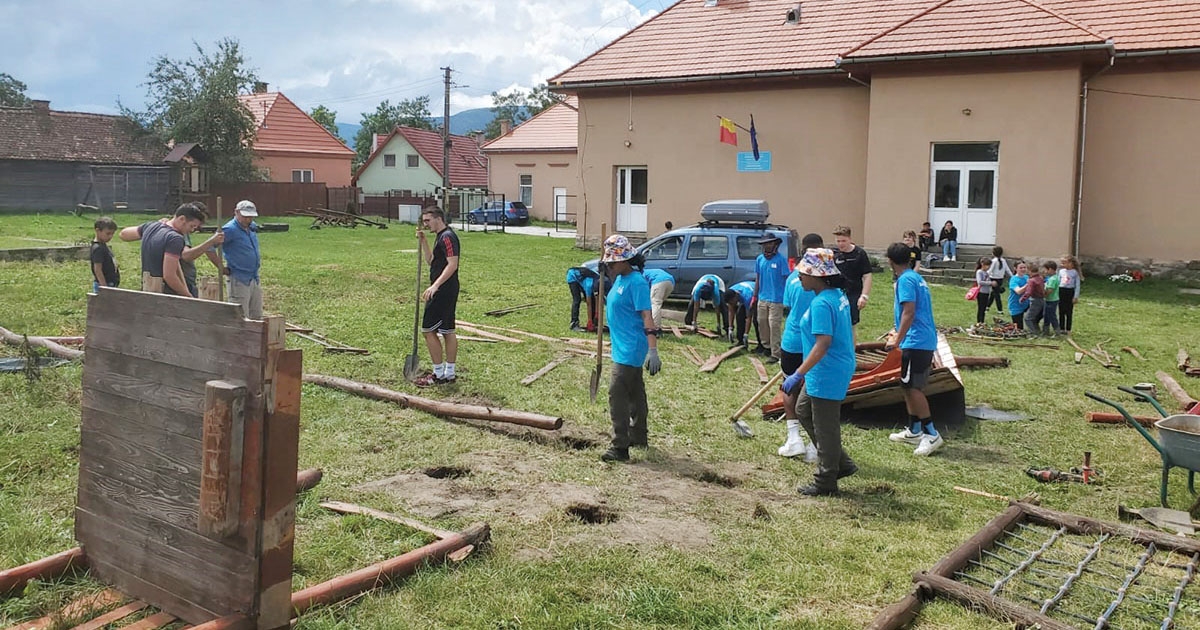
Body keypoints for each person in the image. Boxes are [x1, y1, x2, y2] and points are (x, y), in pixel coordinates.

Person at [780, 248, 857, 495]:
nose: (799, 276)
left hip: (827, 371)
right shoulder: (835, 295)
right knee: (803, 411)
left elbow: (823, 343)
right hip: (823, 369)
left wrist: (798, 373)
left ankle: (826, 480)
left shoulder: (824, 303)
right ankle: (840, 463)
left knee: (826, 426)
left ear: (817, 275)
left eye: (804, 272)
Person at [598, 234, 661, 463]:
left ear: (625, 260)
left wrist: (652, 349)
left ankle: (620, 447)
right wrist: (605, 276)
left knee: (617, 395)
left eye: (613, 262)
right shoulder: (621, 279)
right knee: (635, 393)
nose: (610, 265)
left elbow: (646, 315)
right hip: (622, 346)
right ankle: (639, 436)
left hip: (631, 348)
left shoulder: (636, 282)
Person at [884, 242, 943, 457]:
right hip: (919, 339)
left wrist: (897, 339)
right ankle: (914, 430)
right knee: (907, 385)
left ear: (890, 261)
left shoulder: (905, 280)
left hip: (916, 341)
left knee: (915, 388)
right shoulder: (915, 277)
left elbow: (909, 312)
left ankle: (932, 433)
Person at [772, 232, 826, 452]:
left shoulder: (794, 278)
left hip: (794, 341)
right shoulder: (826, 284)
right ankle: (815, 443)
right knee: (812, 390)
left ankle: (794, 437)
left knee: (789, 388)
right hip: (816, 343)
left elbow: (787, 306)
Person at [120, 202, 216, 296]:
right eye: (192, 226)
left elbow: (123, 234)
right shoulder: (175, 239)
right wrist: (187, 295)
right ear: (182, 219)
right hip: (167, 293)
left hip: (148, 288)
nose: (192, 230)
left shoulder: (151, 226)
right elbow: (169, 275)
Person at [415, 206, 461, 387]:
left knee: (428, 330)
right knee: (447, 330)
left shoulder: (448, 237)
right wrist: (424, 241)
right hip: (446, 289)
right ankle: (449, 373)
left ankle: (438, 373)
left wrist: (435, 285)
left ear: (438, 219)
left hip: (443, 291)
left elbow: (452, 264)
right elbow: (431, 261)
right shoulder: (440, 237)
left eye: (427, 221)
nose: (425, 224)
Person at [221, 200, 263, 319]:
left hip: (253, 277)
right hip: (238, 277)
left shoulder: (251, 227)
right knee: (240, 317)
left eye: (250, 216)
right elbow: (210, 247)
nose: (248, 219)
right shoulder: (229, 229)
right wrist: (220, 267)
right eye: (245, 216)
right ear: (236, 212)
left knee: (256, 316)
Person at [832, 225, 873, 346]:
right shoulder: (834, 254)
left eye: (843, 241)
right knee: (836, 325)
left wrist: (864, 295)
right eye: (838, 241)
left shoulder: (859, 254)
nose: (841, 244)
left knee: (850, 327)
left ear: (849, 239)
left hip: (854, 294)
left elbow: (867, 276)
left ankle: (851, 354)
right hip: (837, 294)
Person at [754, 233, 790, 363]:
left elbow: (786, 279)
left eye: (769, 243)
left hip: (776, 299)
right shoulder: (759, 259)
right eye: (764, 244)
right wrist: (755, 295)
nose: (766, 246)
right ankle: (766, 347)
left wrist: (787, 298)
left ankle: (776, 353)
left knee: (774, 325)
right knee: (762, 323)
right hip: (763, 297)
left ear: (774, 244)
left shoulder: (781, 260)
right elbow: (758, 278)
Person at [89, 216, 119, 291]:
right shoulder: (98, 248)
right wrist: (104, 288)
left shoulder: (103, 245)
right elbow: (98, 270)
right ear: (98, 231)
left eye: (112, 234)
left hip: (110, 283)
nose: (110, 236)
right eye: (108, 233)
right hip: (104, 284)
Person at [566, 266, 600, 332]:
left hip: (582, 278)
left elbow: (597, 299)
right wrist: (589, 320)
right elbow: (588, 304)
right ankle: (574, 324)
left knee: (593, 300)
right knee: (577, 299)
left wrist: (597, 314)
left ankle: (594, 322)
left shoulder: (599, 282)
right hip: (572, 275)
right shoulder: (589, 285)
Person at [1057, 255, 1082, 334]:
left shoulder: (1075, 272)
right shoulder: (1061, 271)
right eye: (1062, 263)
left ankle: (1068, 329)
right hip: (1061, 291)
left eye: (1065, 263)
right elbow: (1058, 282)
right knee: (1061, 311)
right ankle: (1061, 328)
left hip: (1070, 291)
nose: (1063, 265)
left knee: (1068, 311)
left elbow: (1077, 285)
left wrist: (1075, 296)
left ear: (1071, 263)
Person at [986, 246, 1012, 314]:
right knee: (995, 293)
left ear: (993, 253)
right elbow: (1007, 270)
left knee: (996, 294)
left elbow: (990, 270)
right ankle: (987, 307)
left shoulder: (994, 261)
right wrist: (1012, 276)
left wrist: (985, 275)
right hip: (1000, 279)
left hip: (994, 279)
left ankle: (999, 310)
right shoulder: (1003, 260)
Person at [1021, 261, 1046, 335]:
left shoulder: (1031, 281)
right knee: (1035, 318)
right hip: (1042, 300)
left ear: (1029, 271)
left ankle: (1033, 332)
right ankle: (1038, 330)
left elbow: (1029, 292)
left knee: (1027, 318)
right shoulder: (1040, 278)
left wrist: (1023, 298)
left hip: (1035, 300)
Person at [1007, 261, 1030, 329]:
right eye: (1021, 268)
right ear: (1015, 269)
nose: (1023, 269)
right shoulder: (1013, 279)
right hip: (1015, 305)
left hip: (1026, 304)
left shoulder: (1026, 277)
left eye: (1024, 267)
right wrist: (1028, 284)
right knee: (1019, 328)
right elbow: (1018, 291)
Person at [1041, 260, 1061, 336]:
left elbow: (1050, 290)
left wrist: (1043, 294)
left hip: (1052, 300)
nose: (1045, 271)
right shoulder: (1051, 277)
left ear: (1050, 269)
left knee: (1052, 316)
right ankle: (1045, 331)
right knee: (1046, 315)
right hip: (1049, 300)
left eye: (1046, 269)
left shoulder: (1053, 279)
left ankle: (1057, 331)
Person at [973, 257, 992, 325]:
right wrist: (990, 283)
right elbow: (980, 282)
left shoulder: (986, 273)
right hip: (981, 292)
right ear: (982, 264)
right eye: (987, 265)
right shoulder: (979, 272)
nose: (988, 267)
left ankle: (982, 321)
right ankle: (979, 321)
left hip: (986, 292)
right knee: (981, 307)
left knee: (984, 308)